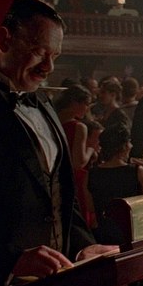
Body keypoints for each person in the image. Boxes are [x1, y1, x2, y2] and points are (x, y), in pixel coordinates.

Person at [0, 0, 117, 286]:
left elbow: (61, 193)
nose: (49, 67)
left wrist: (82, 245)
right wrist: (8, 259)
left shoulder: (43, 103)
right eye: (39, 52)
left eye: (56, 56)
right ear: (3, 39)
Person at [87, 125, 143, 245]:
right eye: (129, 142)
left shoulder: (92, 173)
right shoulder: (136, 170)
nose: (131, 145)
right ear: (124, 146)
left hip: (104, 234)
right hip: (132, 232)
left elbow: (90, 207)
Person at [54, 84, 99, 229]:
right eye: (86, 104)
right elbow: (78, 163)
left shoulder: (51, 120)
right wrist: (91, 149)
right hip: (73, 180)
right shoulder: (79, 127)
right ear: (74, 103)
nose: (87, 109)